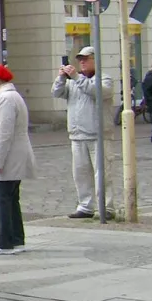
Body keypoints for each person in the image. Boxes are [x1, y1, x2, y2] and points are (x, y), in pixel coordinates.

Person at [52, 45, 113, 219]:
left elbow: (96, 92)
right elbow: (56, 93)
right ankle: (85, 205)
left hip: (99, 134)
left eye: (86, 59)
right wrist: (61, 78)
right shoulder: (73, 81)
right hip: (77, 134)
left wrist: (76, 77)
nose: (82, 63)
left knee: (103, 173)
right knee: (80, 173)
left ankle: (106, 207)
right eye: (80, 60)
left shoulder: (104, 79)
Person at [0, 64, 35, 255]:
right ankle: (16, 239)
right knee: (11, 198)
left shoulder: (5, 99)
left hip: (9, 157)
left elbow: (2, 134)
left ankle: (3, 242)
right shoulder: (10, 96)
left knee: (1, 198)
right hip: (14, 156)